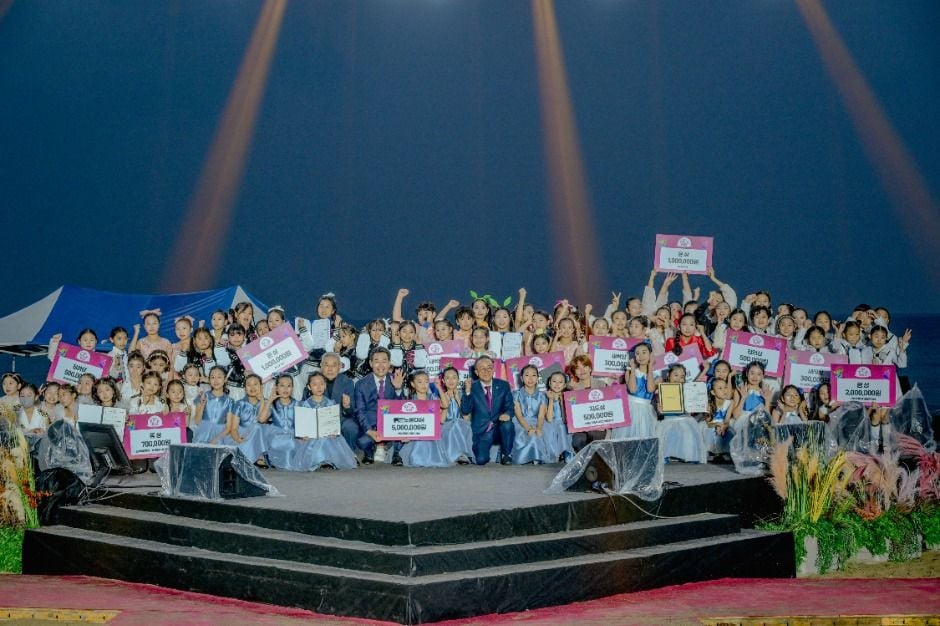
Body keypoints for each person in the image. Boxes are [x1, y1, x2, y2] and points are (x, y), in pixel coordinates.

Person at [352, 347, 406, 465]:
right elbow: (360, 411)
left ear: (389, 363)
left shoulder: (396, 379)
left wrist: (398, 389)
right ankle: (369, 452)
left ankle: (396, 454)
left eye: (384, 361)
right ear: (371, 363)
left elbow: (401, 408)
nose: (381, 365)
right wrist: (369, 431)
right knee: (363, 441)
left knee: (405, 435)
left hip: (391, 424)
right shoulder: (361, 384)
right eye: (377, 361)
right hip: (370, 424)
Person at [295, 372, 357, 470]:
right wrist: (303, 434)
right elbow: (302, 424)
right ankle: (318, 461)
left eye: (321, 384)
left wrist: (334, 431)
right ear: (309, 387)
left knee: (327, 440)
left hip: (327, 435)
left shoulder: (330, 403)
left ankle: (328, 461)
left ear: (325, 386)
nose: (318, 387)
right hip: (311, 436)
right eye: (315, 384)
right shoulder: (305, 405)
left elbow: (334, 421)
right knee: (316, 442)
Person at [460, 355, 515, 465]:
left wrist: (507, 414)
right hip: (482, 431)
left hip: (499, 427)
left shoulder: (503, 385)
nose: (486, 371)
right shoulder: (472, 387)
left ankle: (506, 454)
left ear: (493, 369)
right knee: (481, 460)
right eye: (482, 369)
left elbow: (510, 407)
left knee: (508, 425)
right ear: (476, 372)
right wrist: (467, 392)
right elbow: (465, 410)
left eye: (489, 367)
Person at [399, 371, 450, 468]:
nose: (424, 385)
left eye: (426, 381)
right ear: (413, 384)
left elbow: (445, 405)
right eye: (420, 382)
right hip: (415, 434)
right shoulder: (409, 401)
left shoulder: (432, 398)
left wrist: (439, 387)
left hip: (431, 432)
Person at [318, 352, 357, 451]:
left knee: (350, 426)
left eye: (334, 365)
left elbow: (353, 411)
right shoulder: (314, 381)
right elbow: (305, 405)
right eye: (326, 365)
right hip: (319, 419)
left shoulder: (347, 382)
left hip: (340, 418)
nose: (330, 369)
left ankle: (350, 454)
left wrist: (347, 406)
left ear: (340, 367)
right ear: (321, 366)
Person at [511, 365, 549, 464]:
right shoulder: (516, 394)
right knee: (529, 435)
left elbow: (541, 416)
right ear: (521, 378)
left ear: (537, 378)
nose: (530, 378)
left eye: (534, 375)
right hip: (520, 422)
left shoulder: (542, 396)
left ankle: (538, 457)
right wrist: (528, 428)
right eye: (527, 375)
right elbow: (519, 415)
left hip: (537, 421)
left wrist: (539, 428)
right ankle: (525, 458)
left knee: (541, 433)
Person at [436, 367, 474, 464]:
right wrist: (446, 402)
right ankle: (456, 455)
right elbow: (441, 421)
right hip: (445, 427)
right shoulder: (439, 397)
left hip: (462, 426)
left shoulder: (464, 395)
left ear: (458, 379)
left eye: (454, 377)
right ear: (443, 381)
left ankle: (462, 454)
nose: (451, 380)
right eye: (448, 378)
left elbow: (466, 418)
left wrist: (458, 399)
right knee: (452, 426)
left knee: (459, 424)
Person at [542, 371, 574, 462]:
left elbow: (566, 419)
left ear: (564, 385)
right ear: (549, 383)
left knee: (562, 427)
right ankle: (555, 453)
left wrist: (562, 401)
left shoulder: (567, 396)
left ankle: (566, 451)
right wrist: (551, 400)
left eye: (560, 382)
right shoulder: (544, 396)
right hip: (549, 423)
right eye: (554, 381)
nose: (557, 384)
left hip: (563, 422)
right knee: (555, 428)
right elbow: (549, 419)